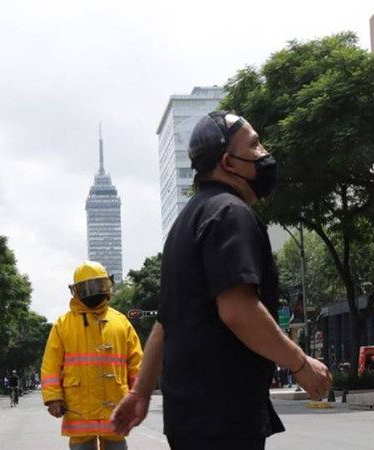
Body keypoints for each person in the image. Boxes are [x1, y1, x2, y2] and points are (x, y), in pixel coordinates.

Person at [110, 111, 332, 450]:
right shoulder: (230, 213)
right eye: (255, 145)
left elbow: (164, 324)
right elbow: (238, 309)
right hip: (224, 416)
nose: (264, 152)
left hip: (190, 417)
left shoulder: (186, 223)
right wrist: (301, 364)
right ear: (229, 163)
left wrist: (140, 392)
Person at [40, 260, 142, 450]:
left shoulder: (121, 322)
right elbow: (50, 365)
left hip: (115, 406)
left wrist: (138, 395)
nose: (93, 292)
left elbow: (136, 364)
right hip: (79, 409)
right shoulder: (63, 324)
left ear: (107, 286)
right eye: (87, 288)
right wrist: (53, 398)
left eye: (98, 285)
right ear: (76, 292)